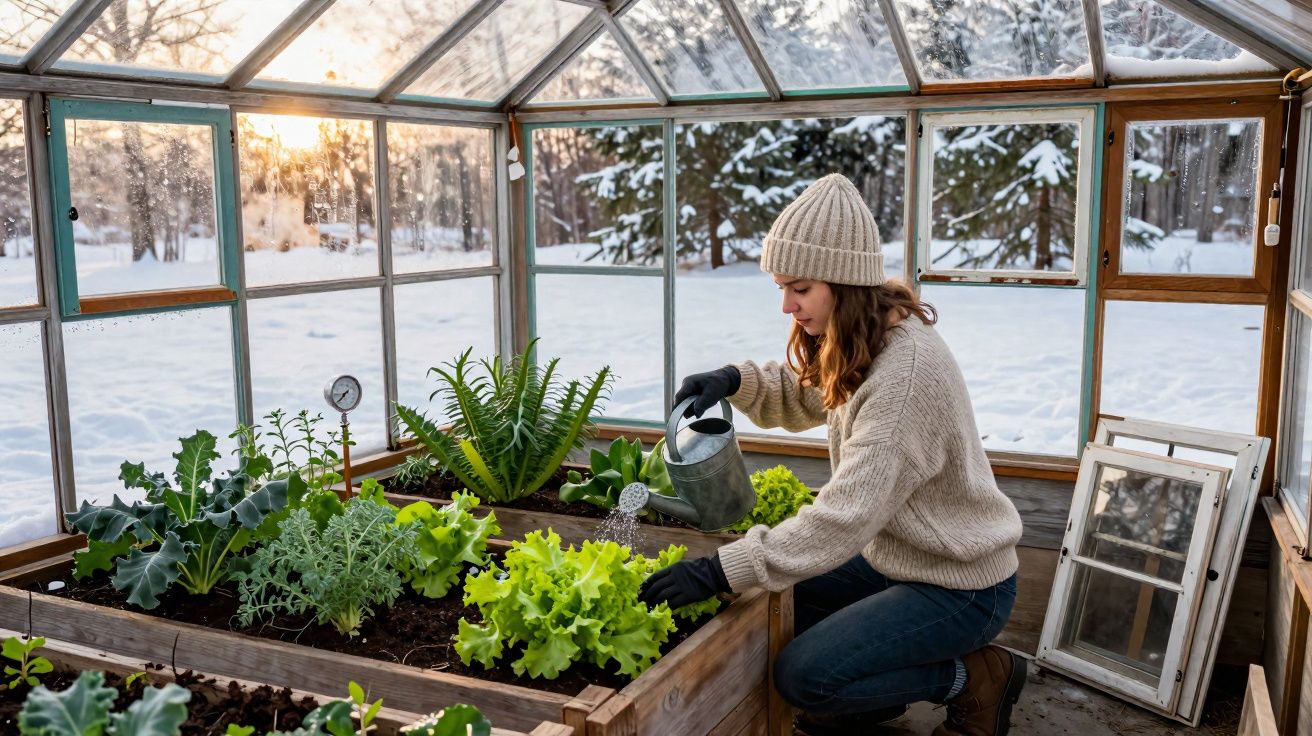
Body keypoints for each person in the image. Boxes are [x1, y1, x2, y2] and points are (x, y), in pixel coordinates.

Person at [638, 174, 1026, 736]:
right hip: (899, 555)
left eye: (799, 288)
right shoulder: (870, 333)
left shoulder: (905, 378)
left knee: (803, 677)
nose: (786, 306)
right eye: (779, 287)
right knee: (785, 596)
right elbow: (807, 393)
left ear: (844, 283)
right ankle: (868, 696)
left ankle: (974, 676)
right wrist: (732, 380)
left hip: (961, 583)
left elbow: (844, 517)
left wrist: (719, 569)